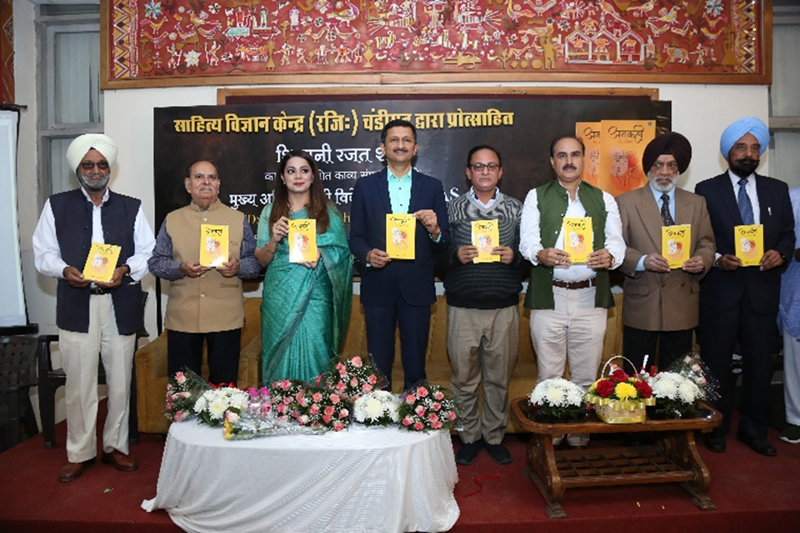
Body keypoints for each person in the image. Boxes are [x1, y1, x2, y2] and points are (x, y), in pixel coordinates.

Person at [32, 134, 155, 482]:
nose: (96, 170)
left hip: (119, 305)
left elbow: (147, 250)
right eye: (88, 164)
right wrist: (64, 271)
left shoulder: (131, 206)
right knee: (79, 383)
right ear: (77, 169)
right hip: (76, 304)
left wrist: (125, 269)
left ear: (110, 169)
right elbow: (43, 253)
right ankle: (80, 452)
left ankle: (115, 447)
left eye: (102, 164)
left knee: (119, 382)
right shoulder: (57, 205)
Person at [695, 117, 795, 456]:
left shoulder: (777, 190)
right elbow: (701, 238)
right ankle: (715, 428)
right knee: (716, 362)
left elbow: (787, 235)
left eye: (755, 148)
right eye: (741, 147)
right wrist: (720, 256)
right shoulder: (707, 190)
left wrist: (780, 254)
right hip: (721, 290)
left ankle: (755, 431)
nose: (748, 154)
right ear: (728, 152)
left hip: (763, 291)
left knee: (759, 364)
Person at [519, 135, 625, 447]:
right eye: (561, 155)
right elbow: (527, 240)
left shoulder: (604, 199)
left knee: (585, 376)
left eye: (575, 154)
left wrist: (612, 256)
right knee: (549, 375)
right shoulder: (536, 196)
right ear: (552, 161)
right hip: (549, 296)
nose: (569, 161)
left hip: (590, 297)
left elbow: (616, 240)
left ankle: (579, 438)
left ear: (584, 159)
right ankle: (549, 440)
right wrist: (541, 254)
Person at [349, 119, 450, 390]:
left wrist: (435, 229)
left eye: (406, 140)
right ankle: (380, 421)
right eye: (394, 140)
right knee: (378, 366)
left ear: (415, 148)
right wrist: (368, 255)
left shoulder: (432, 187)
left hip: (416, 288)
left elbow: (443, 243)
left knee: (416, 367)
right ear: (383, 148)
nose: (400, 145)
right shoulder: (365, 187)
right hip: (378, 285)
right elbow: (355, 237)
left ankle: (414, 423)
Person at [443, 145, 526, 466]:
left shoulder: (517, 210)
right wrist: (454, 257)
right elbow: (436, 254)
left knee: (498, 379)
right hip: (463, 308)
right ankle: (468, 436)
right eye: (478, 167)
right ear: (468, 172)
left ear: (500, 171)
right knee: (464, 378)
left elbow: (532, 255)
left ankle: (493, 436)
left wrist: (514, 257)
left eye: (491, 166)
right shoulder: (452, 209)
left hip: (503, 307)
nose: (485, 172)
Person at [148, 159, 260, 386]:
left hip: (226, 317)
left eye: (211, 178)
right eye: (199, 177)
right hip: (183, 317)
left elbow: (254, 265)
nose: (205, 182)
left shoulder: (238, 219)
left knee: (225, 391)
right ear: (188, 185)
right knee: (183, 391)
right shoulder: (172, 219)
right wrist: (180, 268)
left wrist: (237, 267)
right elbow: (156, 263)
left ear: (218, 185)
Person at [617, 132, 716, 372]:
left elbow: (707, 243)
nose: (665, 172)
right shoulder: (625, 203)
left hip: (682, 304)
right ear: (648, 168)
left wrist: (701, 261)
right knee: (636, 383)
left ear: (679, 168)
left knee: (677, 386)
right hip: (643, 304)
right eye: (658, 165)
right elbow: (616, 248)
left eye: (672, 165)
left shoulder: (697, 203)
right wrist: (642, 261)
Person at [255, 150, 353, 384]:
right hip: (280, 298)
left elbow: (344, 254)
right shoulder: (270, 212)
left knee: (317, 351)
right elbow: (261, 259)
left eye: (304, 170)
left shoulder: (328, 213)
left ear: (312, 177)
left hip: (316, 299)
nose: (297, 176)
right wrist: (274, 239)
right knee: (279, 358)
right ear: (282, 178)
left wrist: (323, 252)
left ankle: (318, 411)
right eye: (291, 171)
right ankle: (278, 414)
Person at [779, 187, 800, 445]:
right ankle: (796, 418)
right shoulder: (792, 197)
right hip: (796, 287)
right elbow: (786, 245)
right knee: (795, 357)